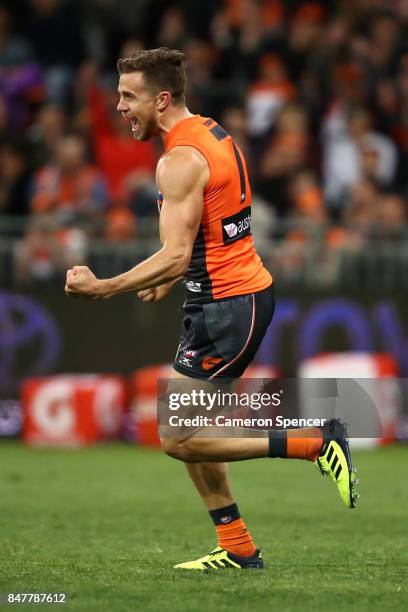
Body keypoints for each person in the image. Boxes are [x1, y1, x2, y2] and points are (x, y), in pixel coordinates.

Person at [65, 48, 359, 571]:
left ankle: (316, 443)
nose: (118, 107)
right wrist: (170, 277)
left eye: (128, 97)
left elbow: (177, 251)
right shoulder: (211, 131)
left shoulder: (178, 161)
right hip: (223, 298)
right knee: (189, 434)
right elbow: (209, 234)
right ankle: (239, 548)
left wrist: (104, 286)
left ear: (160, 99)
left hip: (229, 305)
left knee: (178, 436)